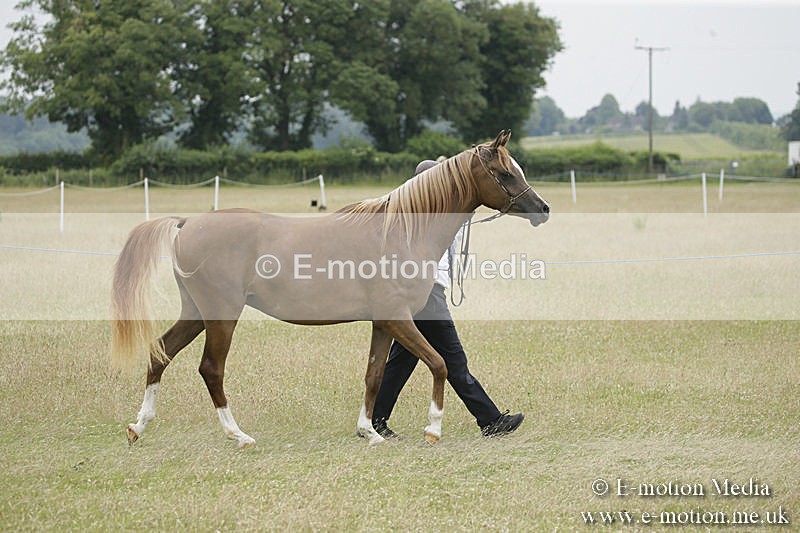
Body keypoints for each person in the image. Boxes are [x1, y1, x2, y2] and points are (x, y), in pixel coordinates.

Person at [369, 159, 525, 439]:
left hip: (425, 291)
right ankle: (490, 421)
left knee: (402, 361)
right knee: (453, 360)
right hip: (427, 294)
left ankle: (373, 419)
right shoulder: (421, 215)